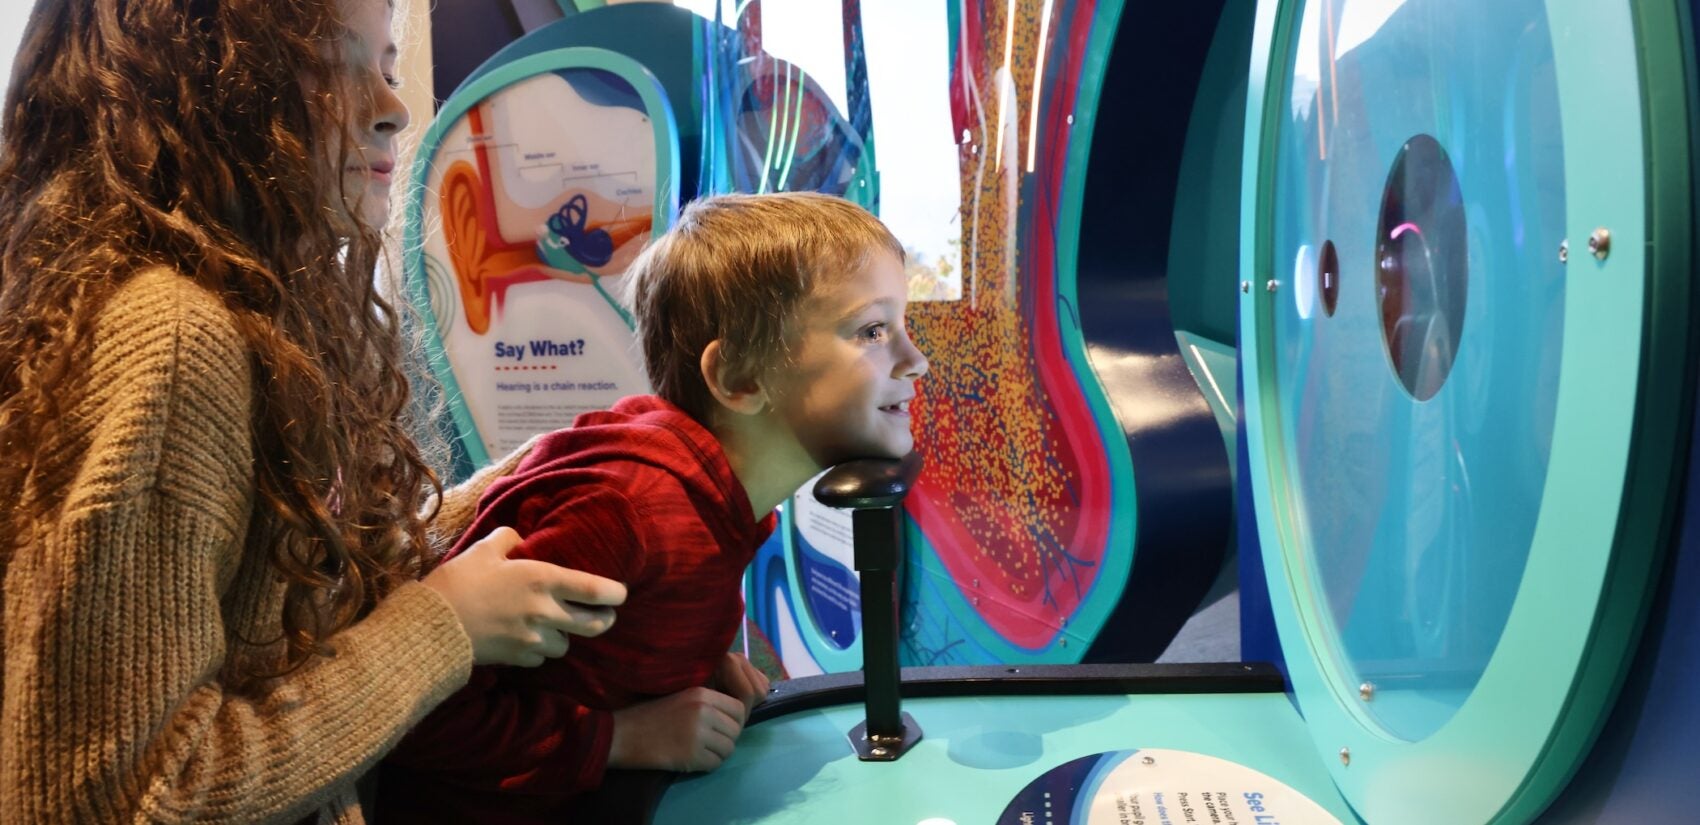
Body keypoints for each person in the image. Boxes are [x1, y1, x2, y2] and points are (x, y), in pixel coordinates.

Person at [0, 1, 629, 823]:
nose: (394, 108)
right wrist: (441, 627)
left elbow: (308, 588)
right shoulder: (176, 337)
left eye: (388, 66)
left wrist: (544, 471)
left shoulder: (262, 308)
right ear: (199, 87)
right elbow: (122, 793)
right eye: (331, 64)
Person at [377, 191, 930, 822]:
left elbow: (590, 651)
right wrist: (623, 736)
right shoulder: (628, 512)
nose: (916, 361)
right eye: (873, 331)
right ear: (740, 380)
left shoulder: (712, 497)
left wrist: (678, 668)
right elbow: (419, 715)